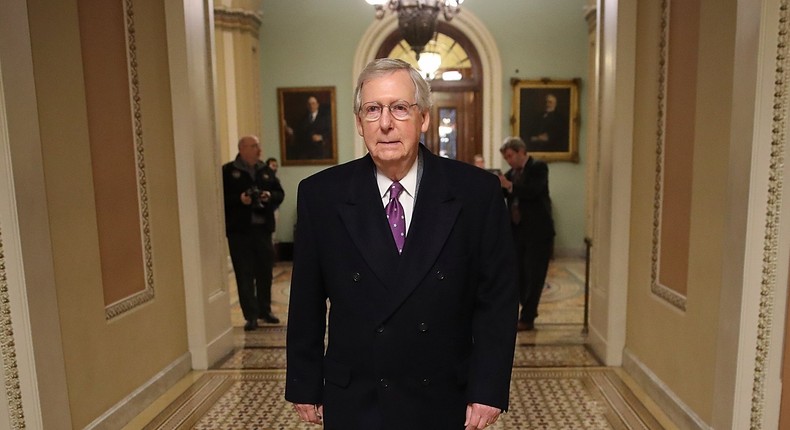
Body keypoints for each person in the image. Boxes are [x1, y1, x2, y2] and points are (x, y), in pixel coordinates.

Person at [285, 58, 519, 430]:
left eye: (399, 108)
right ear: (360, 122)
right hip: (355, 395)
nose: (386, 123)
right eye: (373, 109)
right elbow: (306, 298)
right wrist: (304, 381)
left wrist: (488, 387)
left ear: (423, 118)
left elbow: (498, 300)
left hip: (443, 394)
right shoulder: (321, 195)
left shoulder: (475, 192)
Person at [222, 136, 285, 330]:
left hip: (262, 230)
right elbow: (220, 198)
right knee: (244, 273)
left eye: (258, 146)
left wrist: (269, 196)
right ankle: (250, 315)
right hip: (239, 232)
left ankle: (265, 310)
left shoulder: (265, 171)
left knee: (265, 272)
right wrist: (240, 199)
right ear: (242, 149)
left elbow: (279, 193)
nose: (259, 150)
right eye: (254, 146)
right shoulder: (228, 171)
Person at [498, 136, 555, 331]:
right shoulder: (512, 173)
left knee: (535, 276)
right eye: (506, 158)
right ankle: (525, 308)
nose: (509, 161)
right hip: (517, 232)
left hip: (538, 232)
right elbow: (505, 193)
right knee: (519, 275)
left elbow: (532, 191)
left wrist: (509, 186)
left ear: (522, 152)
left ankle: (528, 317)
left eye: (510, 156)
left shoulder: (538, 168)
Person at [286, 95, 333, 160]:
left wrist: (321, 137)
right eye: (309, 104)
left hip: (321, 150)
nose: (311, 106)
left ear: (317, 105)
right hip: (306, 150)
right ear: (307, 106)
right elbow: (299, 132)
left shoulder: (325, 118)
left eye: (313, 103)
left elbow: (330, 132)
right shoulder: (303, 118)